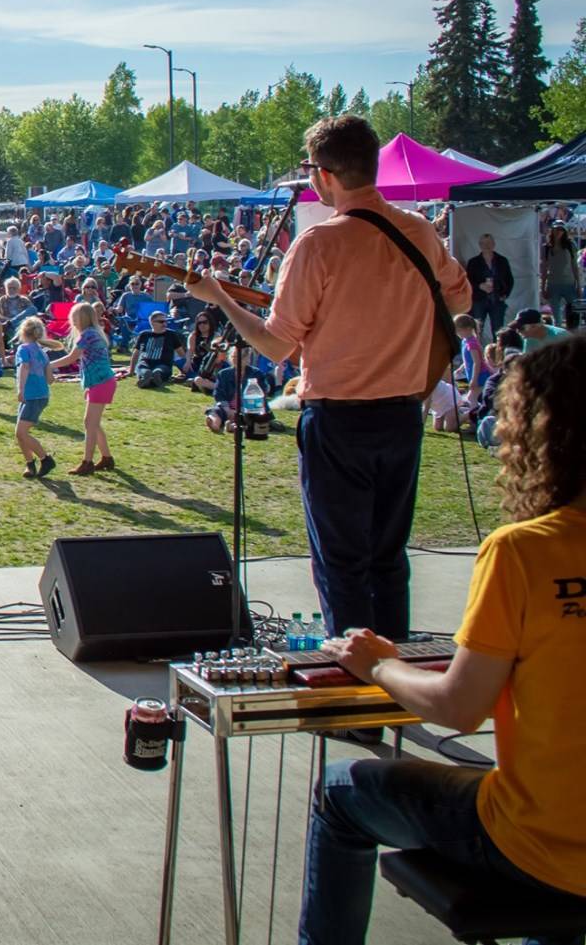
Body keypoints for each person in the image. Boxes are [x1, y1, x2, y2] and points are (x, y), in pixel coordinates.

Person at [300, 336, 586, 945]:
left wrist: (379, 665)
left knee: (341, 791)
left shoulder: (523, 551)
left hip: (544, 842)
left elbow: (460, 708)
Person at [189, 115, 472, 669]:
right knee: (388, 559)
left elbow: (274, 343)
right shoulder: (417, 230)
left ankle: (356, 684)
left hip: (339, 419)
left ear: (322, 176)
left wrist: (220, 298)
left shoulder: (317, 243)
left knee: (342, 562)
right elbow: (458, 302)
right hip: (401, 417)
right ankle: (395, 686)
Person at [50, 300, 116, 475]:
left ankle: (87, 462)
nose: (72, 322)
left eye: (74, 318)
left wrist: (48, 365)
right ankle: (107, 458)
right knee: (93, 423)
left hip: (100, 382)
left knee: (90, 423)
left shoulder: (87, 335)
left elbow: (72, 358)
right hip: (101, 381)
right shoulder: (95, 332)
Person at [12, 316, 55, 479]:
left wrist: (21, 389)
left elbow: (24, 367)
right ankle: (30, 465)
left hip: (31, 396)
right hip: (41, 395)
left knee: (21, 433)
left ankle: (45, 459)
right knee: (20, 433)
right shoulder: (42, 353)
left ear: (23, 332)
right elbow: (50, 380)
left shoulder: (24, 349)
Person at [464, 231, 514, 339]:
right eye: (483, 243)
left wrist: (505, 294)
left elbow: (509, 279)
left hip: (497, 300)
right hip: (478, 301)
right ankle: (476, 353)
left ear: (494, 244)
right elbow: (467, 281)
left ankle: (498, 353)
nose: (486, 246)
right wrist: (479, 286)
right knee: (477, 330)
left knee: (498, 331)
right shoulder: (473, 262)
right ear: (480, 245)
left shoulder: (502, 261)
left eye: (489, 243)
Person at [132, 309, 184, 389]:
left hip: (164, 364)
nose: (164, 324)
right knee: (142, 367)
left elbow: (181, 353)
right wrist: (131, 370)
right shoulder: (144, 334)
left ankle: (150, 378)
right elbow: (136, 353)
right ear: (152, 322)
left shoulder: (171, 334)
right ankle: (149, 377)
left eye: (165, 321)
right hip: (145, 362)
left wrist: (184, 370)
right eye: (161, 322)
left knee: (159, 370)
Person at [544, 224, 579, 325]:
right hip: (553, 283)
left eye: (561, 230)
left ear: (564, 232)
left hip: (569, 283)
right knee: (556, 315)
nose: (558, 232)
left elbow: (574, 266)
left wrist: (578, 284)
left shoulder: (570, 245)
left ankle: (574, 335)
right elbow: (545, 268)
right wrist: (543, 287)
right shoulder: (547, 247)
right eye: (556, 229)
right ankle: (559, 336)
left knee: (574, 312)